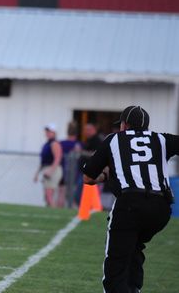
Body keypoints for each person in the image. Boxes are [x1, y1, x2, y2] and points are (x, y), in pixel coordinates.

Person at [82, 106, 177, 293]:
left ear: (124, 125)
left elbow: (88, 177)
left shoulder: (114, 139)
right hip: (161, 208)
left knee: (115, 268)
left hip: (130, 205)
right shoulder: (161, 139)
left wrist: (107, 174)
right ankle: (134, 288)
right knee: (134, 248)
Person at [34, 123, 63, 207]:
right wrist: (37, 174)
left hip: (53, 169)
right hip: (47, 168)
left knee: (49, 194)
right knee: (47, 195)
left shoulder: (54, 144)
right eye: (47, 131)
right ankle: (50, 210)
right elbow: (43, 161)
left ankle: (53, 211)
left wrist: (51, 171)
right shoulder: (47, 144)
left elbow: (57, 158)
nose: (47, 133)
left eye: (49, 131)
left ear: (54, 133)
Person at [59, 122, 82, 208]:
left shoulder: (61, 143)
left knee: (62, 193)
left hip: (63, 171)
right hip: (74, 173)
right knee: (71, 194)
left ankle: (62, 209)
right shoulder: (78, 144)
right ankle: (71, 208)